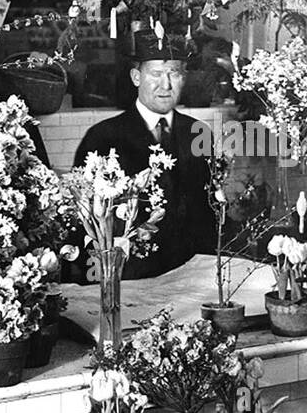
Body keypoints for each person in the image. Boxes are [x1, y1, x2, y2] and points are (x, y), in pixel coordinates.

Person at [73, 30, 215, 279]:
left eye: (175, 73)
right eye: (157, 74)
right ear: (136, 77)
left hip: (192, 271)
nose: (166, 85)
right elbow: (86, 221)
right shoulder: (103, 137)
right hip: (131, 275)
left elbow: (208, 209)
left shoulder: (198, 132)